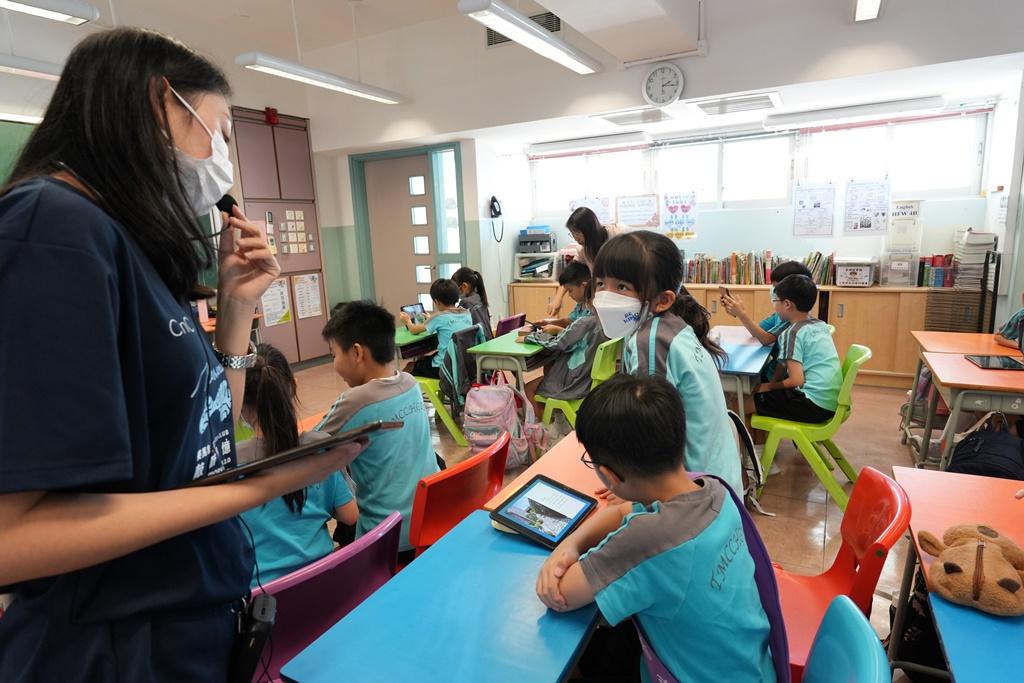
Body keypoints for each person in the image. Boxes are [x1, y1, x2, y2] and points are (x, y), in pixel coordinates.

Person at [0, 28, 364, 681]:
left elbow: (204, 431)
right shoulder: (50, 229)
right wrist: (266, 484)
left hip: (187, 617)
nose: (221, 161)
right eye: (216, 133)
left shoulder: (123, 239)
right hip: (118, 645)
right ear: (159, 101)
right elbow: (11, 538)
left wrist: (237, 308)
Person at [535, 375, 775, 683]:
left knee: (582, 648)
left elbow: (561, 595)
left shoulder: (648, 539)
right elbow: (622, 511)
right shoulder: (714, 491)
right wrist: (571, 544)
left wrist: (560, 553)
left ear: (609, 475)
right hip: (751, 668)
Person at [591, 231, 742, 494]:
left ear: (663, 300)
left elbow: (649, 431)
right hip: (719, 478)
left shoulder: (650, 340)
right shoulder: (673, 326)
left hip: (696, 492)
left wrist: (631, 489)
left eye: (622, 287)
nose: (606, 296)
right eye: (601, 283)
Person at [318, 301, 440, 564]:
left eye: (334, 355)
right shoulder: (410, 383)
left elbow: (307, 449)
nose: (334, 365)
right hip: (431, 525)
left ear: (356, 353)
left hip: (387, 539)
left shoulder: (355, 401)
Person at [237, 344, 359, 586]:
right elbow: (350, 514)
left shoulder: (232, 464)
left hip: (264, 597)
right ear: (292, 387)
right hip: (325, 583)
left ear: (239, 401)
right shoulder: (321, 447)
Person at [746, 274, 842, 424]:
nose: (774, 305)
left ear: (787, 304)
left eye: (775, 301)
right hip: (832, 402)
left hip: (812, 404)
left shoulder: (792, 333)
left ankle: (747, 439)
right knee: (762, 394)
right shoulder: (820, 325)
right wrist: (770, 386)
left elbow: (796, 380)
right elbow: (783, 364)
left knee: (743, 403)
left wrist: (768, 386)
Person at [520, 282, 606, 413]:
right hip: (590, 380)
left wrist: (529, 337)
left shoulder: (585, 322)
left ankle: (542, 425)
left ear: (588, 301)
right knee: (550, 367)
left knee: (528, 389)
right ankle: (555, 417)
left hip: (575, 383)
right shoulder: (607, 324)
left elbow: (557, 344)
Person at [720, 261, 813, 379]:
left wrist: (742, 314)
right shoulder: (781, 314)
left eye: (776, 288)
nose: (773, 292)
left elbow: (765, 339)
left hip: (778, 376)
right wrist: (738, 312)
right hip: (771, 370)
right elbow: (758, 331)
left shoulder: (792, 319)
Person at [547, 207, 628, 316]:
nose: (575, 238)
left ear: (588, 229)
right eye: (572, 234)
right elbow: (570, 274)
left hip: (624, 294)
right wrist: (558, 298)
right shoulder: (583, 251)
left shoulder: (617, 234)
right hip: (604, 298)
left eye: (577, 233)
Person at [400, 279, 474, 379]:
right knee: (424, 359)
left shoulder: (439, 317)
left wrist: (407, 321)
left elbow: (413, 330)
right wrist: (430, 319)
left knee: (411, 365)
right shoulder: (466, 313)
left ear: (437, 302)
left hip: (444, 367)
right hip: (462, 364)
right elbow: (448, 325)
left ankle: (402, 384)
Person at [544, 260, 592, 330]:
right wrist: (547, 323)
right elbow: (571, 320)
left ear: (584, 285)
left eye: (570, 290)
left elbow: (581, 333)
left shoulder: (592, 309)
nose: (569, 295)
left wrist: (557, 330)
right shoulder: (581, 305)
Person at [451, 266, 492, 338]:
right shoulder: (480, 298)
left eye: (455, 289)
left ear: (464, 286)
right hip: (488, 340)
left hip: (478, 343)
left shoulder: (466, 303)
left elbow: (452, 323)